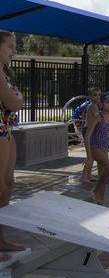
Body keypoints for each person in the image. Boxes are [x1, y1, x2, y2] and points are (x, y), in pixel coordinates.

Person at [0, 31, 26, 258]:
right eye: (10, 46)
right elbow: (13, 101)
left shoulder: (4, 71)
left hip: (5, 130)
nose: (14, 51)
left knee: (8, 184)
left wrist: (16, 98)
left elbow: (15, 99)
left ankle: (0, 239)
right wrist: (17, 98)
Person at [80, 87, 101, 184]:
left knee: (91, 155)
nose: (97, 97)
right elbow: (98, 118)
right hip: (88, 131)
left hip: (90, 131)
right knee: (90, 156)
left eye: (99, 95)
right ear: (90, 96)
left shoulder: (94, 105)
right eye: (95, 95)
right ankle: (83, 176)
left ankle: (88, 175)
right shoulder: (93, 106)